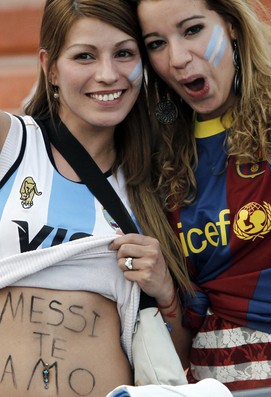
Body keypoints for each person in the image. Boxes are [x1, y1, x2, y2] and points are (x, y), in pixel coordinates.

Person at [0, 0, 193, 396]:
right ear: (50, 67)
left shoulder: (159, 182)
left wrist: (166, 293)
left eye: (124, 53)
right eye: (84, 56)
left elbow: (173, 361)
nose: (108, 74)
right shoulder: (11, 144)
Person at [125, 0, 271, 395]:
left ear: (232, 25)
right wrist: (167, 292)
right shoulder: (154, 156)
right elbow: (183, 323)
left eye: (192, 30)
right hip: (210, 381)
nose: (178, 58)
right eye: (156, 43)